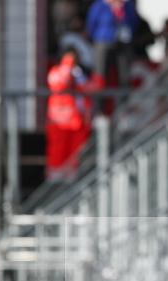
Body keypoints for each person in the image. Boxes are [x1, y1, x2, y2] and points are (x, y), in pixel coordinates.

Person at [45, 49, 104, 179]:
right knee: (57, 152)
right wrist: (67, 67)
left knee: (77, 153)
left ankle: (73, 178)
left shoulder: (80, 74)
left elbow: (96, 86)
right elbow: (61, 83)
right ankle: (55, 180)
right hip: (59, 120)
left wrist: (81, 77)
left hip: (79, 121)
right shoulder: (55, 72)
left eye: (74, 59)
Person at [86, 0, 139, 88]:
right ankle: (99, 99)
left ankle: (123, 98)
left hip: (122, 41)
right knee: (100, 72)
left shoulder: (127, 5)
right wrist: (96, 36)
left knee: (124, 72)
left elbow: (133, 21)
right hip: (103, 40)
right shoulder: (100, 5)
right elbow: (91, 23)